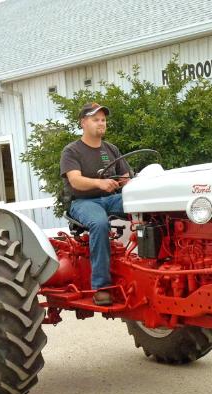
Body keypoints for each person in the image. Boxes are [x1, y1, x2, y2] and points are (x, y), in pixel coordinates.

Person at [60, 103, 131, 306]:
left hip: (112, 199)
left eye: (103, 119)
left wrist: (131, 186)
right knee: (99, 224)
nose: (101, 123)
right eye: (95, 119)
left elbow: (126, 179)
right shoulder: (72, 151)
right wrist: (99, 182)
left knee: (146, 208)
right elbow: (75, 181)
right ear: (83, 123)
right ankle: (101, 287)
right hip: (83, 201)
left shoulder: (111, 149)